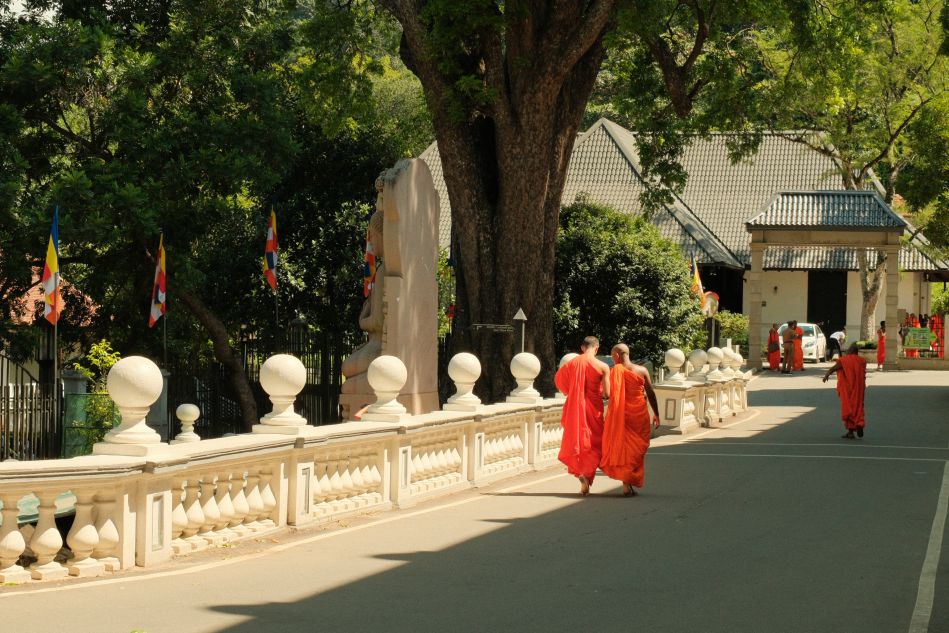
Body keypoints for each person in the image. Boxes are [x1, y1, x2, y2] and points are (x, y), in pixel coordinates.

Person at [601, 343, 660, 497]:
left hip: (621, 416)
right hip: (639, 415)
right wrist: (657, 414)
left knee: (623, 447)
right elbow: (651, 393)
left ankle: (626, 482)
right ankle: (628, 482)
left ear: (617, 356)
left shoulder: (615, 372)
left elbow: (608, 394)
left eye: (612, 356)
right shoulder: (642, 370)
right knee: (637, 450)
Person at [555, 336, 610, 496]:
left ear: (582, 348)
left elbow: (560, 382)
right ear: (597, 348)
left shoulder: (571, 364)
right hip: (594, 408)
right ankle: (586, 474)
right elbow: (607, 393)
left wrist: (573, 392)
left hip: (576, 408)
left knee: (580, 441)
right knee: (595, 442)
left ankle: (584, 474)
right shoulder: (603, 366)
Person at [822, 343, 867, 439]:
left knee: (848, 407)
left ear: (851, 351)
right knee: (858, 406)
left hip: (847, 388)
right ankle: (859, 423)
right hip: (859, 387)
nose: (846, 351)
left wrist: (826, 375)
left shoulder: (844, 360)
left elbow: (834, 368)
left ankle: (851, 431)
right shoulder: (862, 361)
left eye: (848, 350)